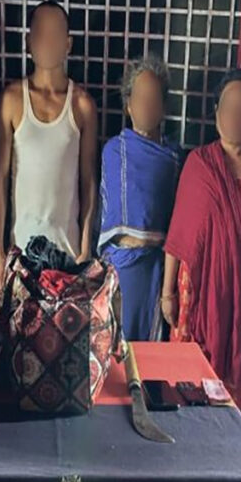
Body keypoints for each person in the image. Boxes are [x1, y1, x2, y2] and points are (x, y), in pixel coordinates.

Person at [161, 69, 241, 453]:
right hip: (196, 301)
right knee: (189, 385)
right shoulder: (199, 164)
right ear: (216, 113)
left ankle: (236, 470)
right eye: (228, 106)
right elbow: (178, 234)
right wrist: (167, 292)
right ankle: (188, 463)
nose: (234, 115)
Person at [0, 0, 99, 291]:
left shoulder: (83, 105)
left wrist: (85, 247)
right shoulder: (12, 99)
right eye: (40, 33)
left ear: (68, 44)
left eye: (55, 34)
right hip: (21, 255)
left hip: (68, 255)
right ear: (29, 42)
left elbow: (89, 180)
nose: (47, 42)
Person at [98, 56, 180, 341]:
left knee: (151, 350)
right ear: (128, 105)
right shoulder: (114, 151)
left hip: (158, 271)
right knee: (118, 348)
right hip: (122, 266)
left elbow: (177, 219)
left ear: (164, 107)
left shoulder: (174, 158)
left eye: (153, 98)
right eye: (140, 97)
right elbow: (112, 222)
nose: (146, 105)